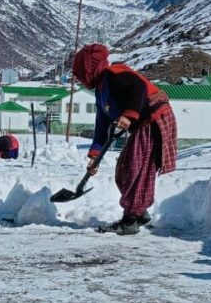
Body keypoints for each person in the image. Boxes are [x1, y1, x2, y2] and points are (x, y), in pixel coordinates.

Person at [73, 44, 178, 235]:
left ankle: (130, 220)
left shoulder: (115, 74)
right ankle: (139, 213)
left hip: (154, 119)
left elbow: (136, 88)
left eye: (81, 73)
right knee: (123, 170)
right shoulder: (100, 90)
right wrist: (95, 156)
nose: (81, 79)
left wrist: (128, 115)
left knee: (135, 169)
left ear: (90, 68)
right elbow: (102, 123)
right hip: (142, 124)